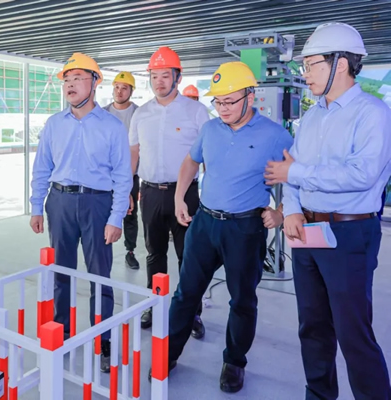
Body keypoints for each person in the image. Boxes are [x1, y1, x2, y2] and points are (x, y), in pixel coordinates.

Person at [265, 22, 391, 400]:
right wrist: (291, 210)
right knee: (313, 327)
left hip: (350, 234)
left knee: (353, 333)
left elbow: (362, 175)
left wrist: (295, 174)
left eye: (311, 64)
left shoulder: (372, 113)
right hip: (308, 232)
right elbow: (291, 167)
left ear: (341, 63)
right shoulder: (313, 116)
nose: (305, 74)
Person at [156, 61, 292, 393]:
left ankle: (234, 361)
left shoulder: (275, 135)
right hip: (204, 224)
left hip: (245, 229)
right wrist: (179, 197)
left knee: (242, 300)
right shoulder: (210, 129)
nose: (223, 108)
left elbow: (298, 177)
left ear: (250, 97)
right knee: (186, 293)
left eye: (230, 101)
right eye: (218, 102)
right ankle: (168, 355)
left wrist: (282, 213)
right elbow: (191, 160)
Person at [30, 52, 132, 373]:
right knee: (61, 272)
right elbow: (41, 168)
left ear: (95, 83)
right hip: (59, 202)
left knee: (99, 274)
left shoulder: (112, 127)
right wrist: (36, 206)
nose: (70, 85)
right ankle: (62, 332)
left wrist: (116, 217)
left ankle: (103, 339)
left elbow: (123, 176)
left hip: (97, 204)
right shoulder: (54, 124)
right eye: (67, 80)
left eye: (78, 78)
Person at [129, 46, 209, 335]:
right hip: (150, 193)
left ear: (178, 77)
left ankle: (192, 313)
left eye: (165, 75)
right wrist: (127, 190)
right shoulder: (142, 114)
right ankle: (155, 304)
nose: (159, 81)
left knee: (188, 256)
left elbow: (208, 156)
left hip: (185, 194)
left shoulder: (196, 112)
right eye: (154, 76)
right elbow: (133, 154)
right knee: (154, 253)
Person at [103, 71, 140, 270]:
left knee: (129, 212)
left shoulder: (138, 113)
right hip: (104, 173)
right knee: (102, 209)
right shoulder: (102, 113)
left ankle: (130, 251)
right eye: (116, 87)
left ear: (131, 91)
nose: (119, 91)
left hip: (130, 172)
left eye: (124, 88)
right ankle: (102, 245)